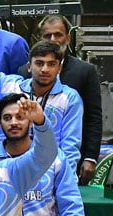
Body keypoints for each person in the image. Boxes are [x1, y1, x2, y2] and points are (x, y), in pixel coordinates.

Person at [0, 23, 83, 172]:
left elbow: (70, 147)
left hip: (46, 173)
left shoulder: (69, 98)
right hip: (3, 168)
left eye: (51, 64)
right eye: (39, 63)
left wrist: (64, 182)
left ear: (59, 68)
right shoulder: (9, 85)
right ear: (29, 67)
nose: (45, 69)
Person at [17, 15, 102, 185]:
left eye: (58, 35)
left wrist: (90, 157)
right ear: (39, 38)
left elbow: (94, 117)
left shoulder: (84, 71)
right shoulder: (24, 73)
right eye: (47, 35)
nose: (53, 40)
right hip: (27, 160)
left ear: (68, 38)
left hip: (70, 156)